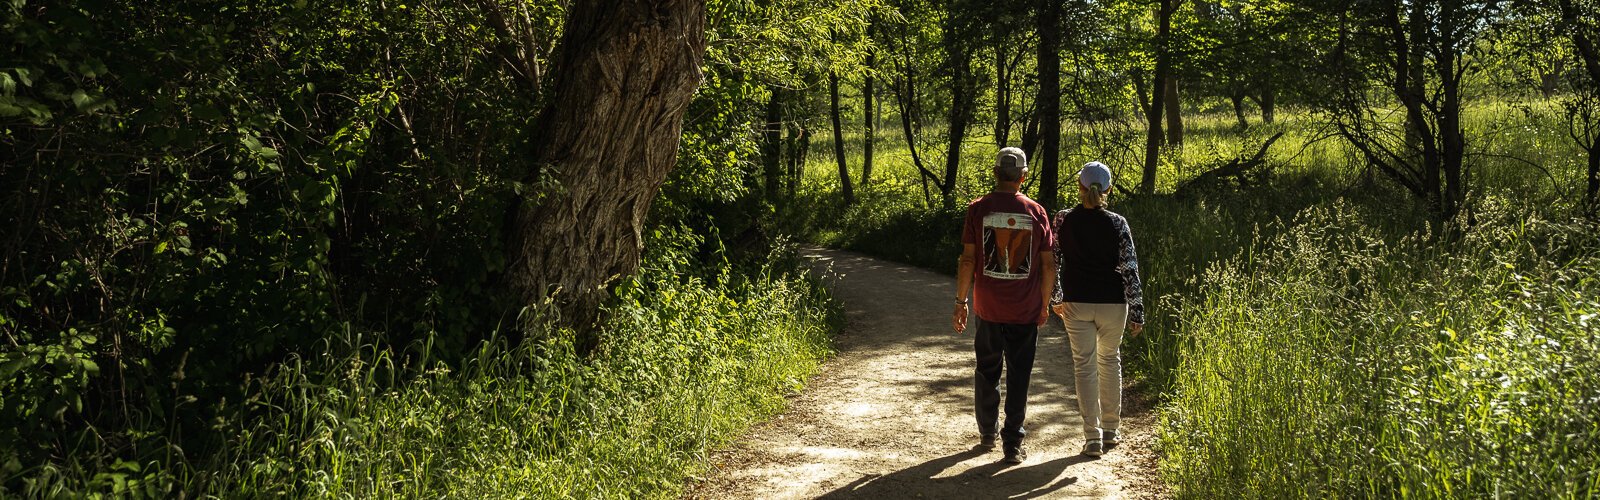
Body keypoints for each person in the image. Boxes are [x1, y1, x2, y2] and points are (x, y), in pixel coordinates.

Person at [952, 147, 1056, 465]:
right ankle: (1012, 443)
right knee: (1019, 374)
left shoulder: (977, 209)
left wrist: (961, 301)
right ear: (1023, 177)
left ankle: (987, 432)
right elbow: (1048, 265)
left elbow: (969, 258)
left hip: (988, 308)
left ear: (996, 174)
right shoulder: (1036, 212)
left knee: (987, 370)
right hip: (1023, 310)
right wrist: (1044, 304)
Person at [1050, 161, 1145, 458]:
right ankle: (1111, 430)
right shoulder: (1118, 223)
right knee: (1110, 361)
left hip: (1076, 301)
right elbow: (1129, 267)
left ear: (1079, 186)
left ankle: (1092, 437)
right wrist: (1137, 309)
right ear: (1109, 190)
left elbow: (1052, 262)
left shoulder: (1062, 220)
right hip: (1113, 303)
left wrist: (1055, 298)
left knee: (1084, 366)